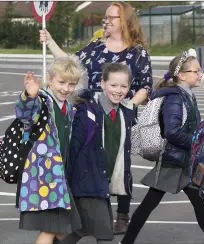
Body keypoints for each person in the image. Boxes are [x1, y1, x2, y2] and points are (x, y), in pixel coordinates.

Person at [40, 1, 153, 233]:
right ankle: (84, 206)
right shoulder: (96, 46)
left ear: (125, 21)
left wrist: (129, 105)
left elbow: (145, 86)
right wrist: (50, 42)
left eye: (113, 17)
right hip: (91, 112)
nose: (107, 21)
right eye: (107, 16)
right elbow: (70, 62)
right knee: (88, 158)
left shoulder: (137, 52)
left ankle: (122, 213)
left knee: (121, 159)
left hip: (120, 114)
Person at [119, 50, 204, 244]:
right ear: (182, 75)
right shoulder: (175, 98)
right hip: (173, 162)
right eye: (196, 71)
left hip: (183, 161)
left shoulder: (186, 95)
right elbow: (171, 132)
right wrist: (197, 142)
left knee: (198, 205)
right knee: (149, 204)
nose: (200, 74)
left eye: (200, 71)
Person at [59, 63, 135, 244]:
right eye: (113, 85)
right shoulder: (88, 111)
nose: (118, 90)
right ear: (102, 83)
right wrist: (65, 182)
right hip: (87, 181)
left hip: (101, 181)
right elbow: (73, 148)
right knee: (105, 234)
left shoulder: (125, 113)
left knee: (81, 230)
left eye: (124, 86)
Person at [15, 55, 84, 244]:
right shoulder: (43, 101)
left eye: (71, 84)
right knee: (50, 230)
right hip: (45, 176)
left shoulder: (68, 107)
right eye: (61, 82)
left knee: (63, 231)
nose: (65, 88)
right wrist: (29, 96)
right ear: (50, 79)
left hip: (58, 177)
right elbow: (26, 115)